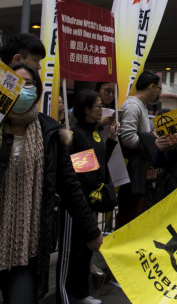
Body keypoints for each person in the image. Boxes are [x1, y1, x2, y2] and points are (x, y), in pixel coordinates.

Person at [0, 63, 102, 304]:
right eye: (14, 82)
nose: (22, 88)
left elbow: (70, 186)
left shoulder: (51, 133)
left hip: (27, 248)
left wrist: (91, 230)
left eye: (28, 83)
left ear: (37, 90)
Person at [56, 89, 118, 304]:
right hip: (77, 203)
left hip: (89, 202)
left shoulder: (93, 132)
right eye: (98, 106)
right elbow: (78, 174)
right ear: (85, 109)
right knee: (71, 253)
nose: (102, 109)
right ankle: (65, 295)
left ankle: (81, 294)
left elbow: (98, 164)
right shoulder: (75, 134)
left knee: (84, 251)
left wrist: (110, 141)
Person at [116, 71, 168, 228]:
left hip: (141, 170)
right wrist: (151, 141)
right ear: (151, 87)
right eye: (158, 89)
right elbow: (128, 138)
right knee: (131, 213)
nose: (159, 93)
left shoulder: (142, 107)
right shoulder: (133, 106)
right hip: (134, 170)